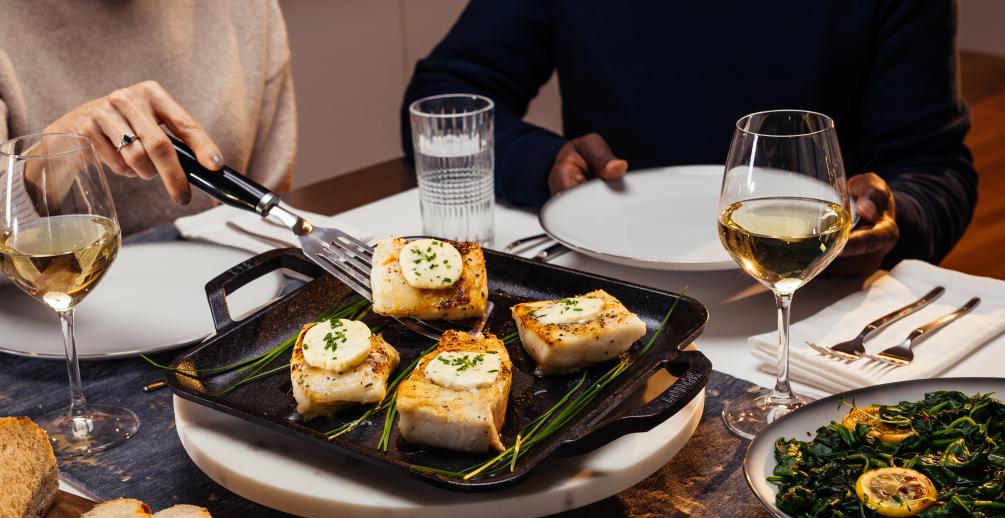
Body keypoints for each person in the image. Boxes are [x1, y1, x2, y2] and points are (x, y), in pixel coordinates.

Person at [401, 1, 977, 275]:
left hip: (806, 301)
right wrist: (544, 161)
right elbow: (445, 98)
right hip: (605, 282)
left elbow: (933, 163)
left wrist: (897, 216)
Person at [0, 0, 296, 291]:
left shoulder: (244, 8)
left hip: (231, 311)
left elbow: (270, 208)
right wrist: (43, 168)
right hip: (51, 346)